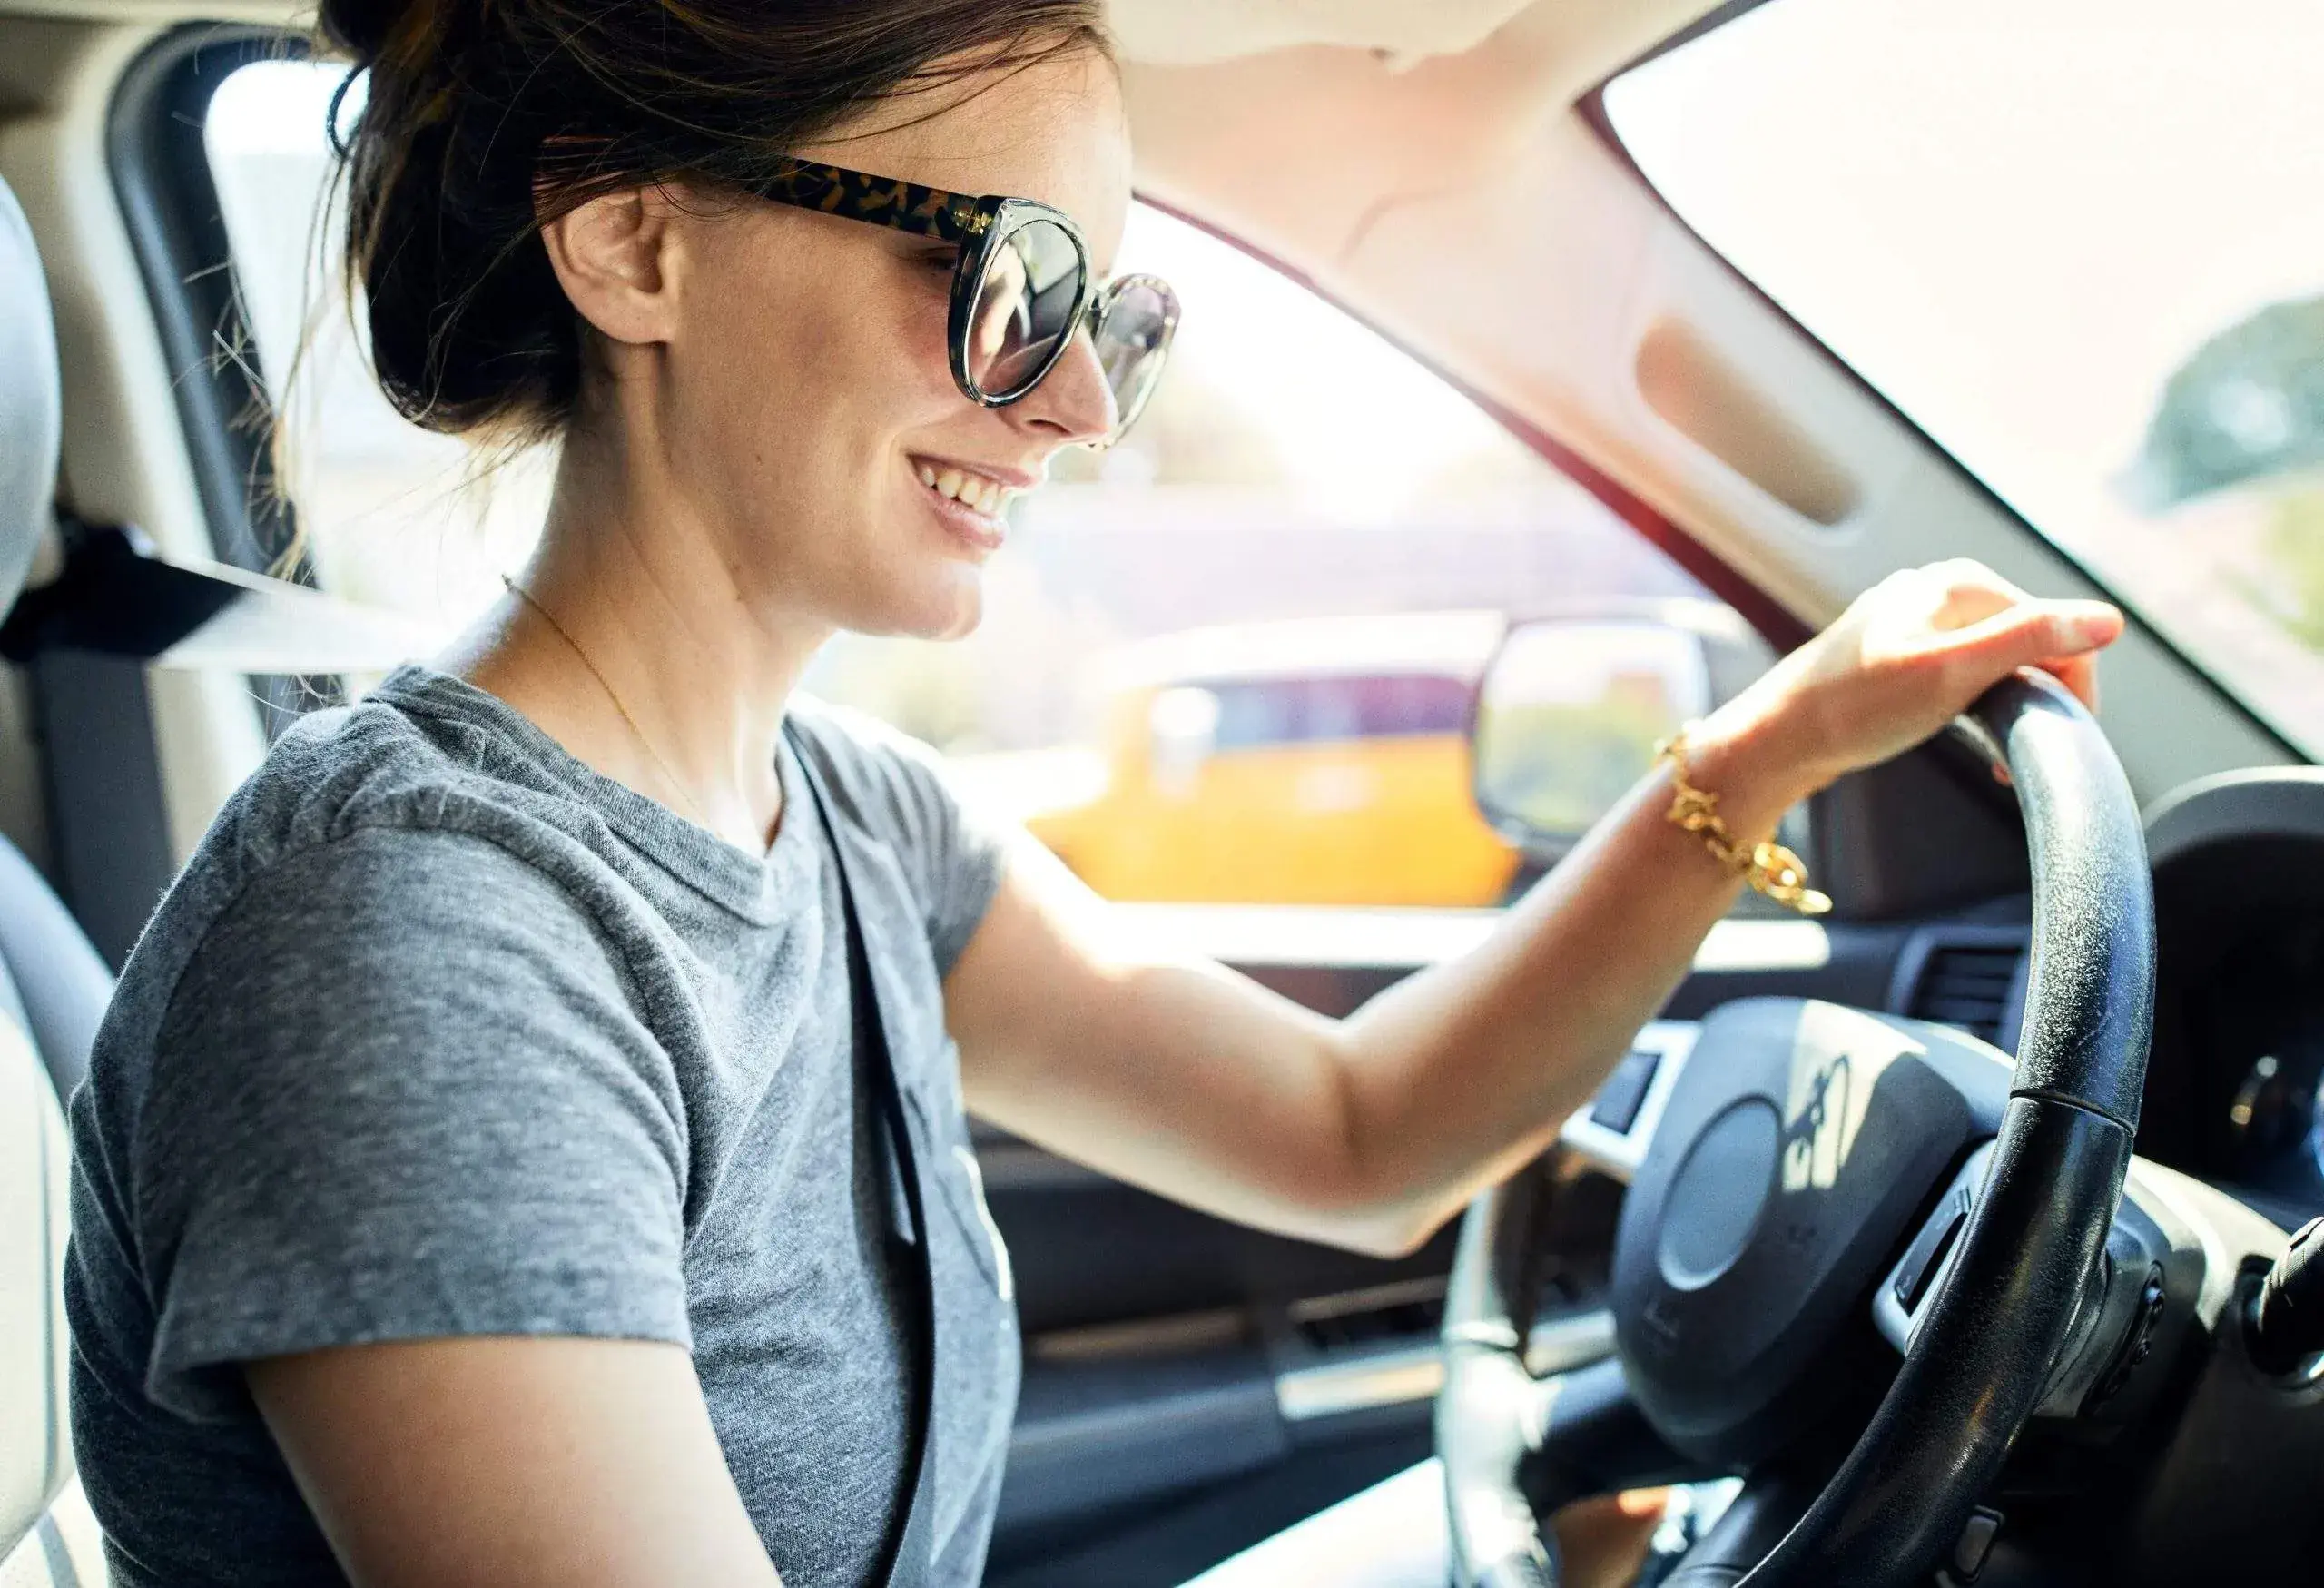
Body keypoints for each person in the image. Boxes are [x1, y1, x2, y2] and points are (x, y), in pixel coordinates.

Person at [61, 1, 2124, 1584]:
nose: (1071, 407)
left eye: (1113, 318)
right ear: (629, 241)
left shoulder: (857, 825)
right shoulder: (415, 940)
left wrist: (1763, 747)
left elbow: (1356, 1133)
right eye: (1006, 282)